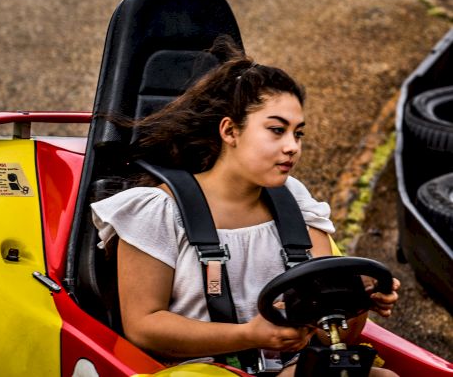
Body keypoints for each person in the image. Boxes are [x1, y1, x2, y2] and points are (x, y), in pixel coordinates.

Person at [91, 41, 400, 376]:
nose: (292, 147)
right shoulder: (158, 211)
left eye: (298, 134)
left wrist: (357, 303)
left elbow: (334, 338)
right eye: (277, 130)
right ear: (230, 131)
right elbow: (143, 327)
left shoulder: (294, 201)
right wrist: (247, 335)